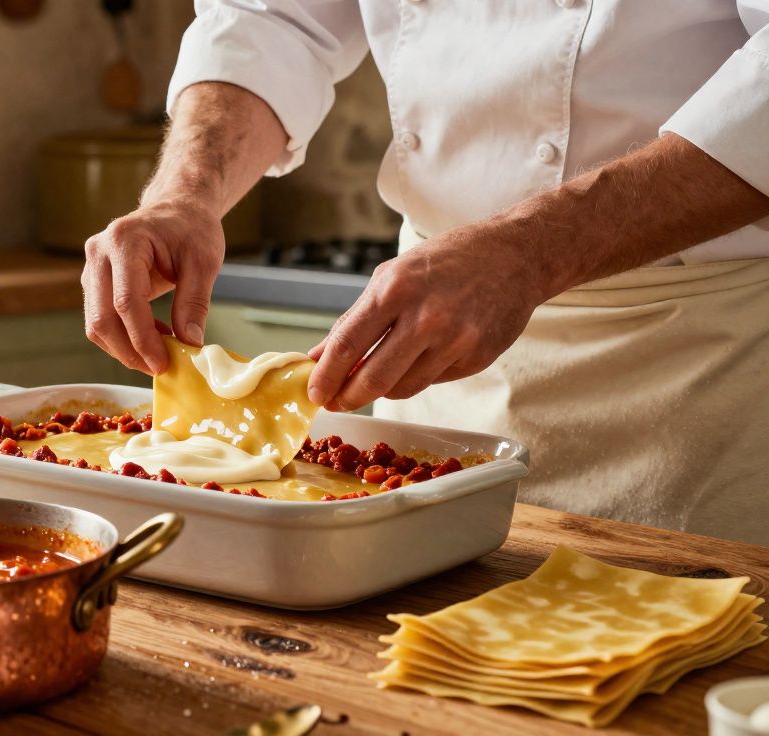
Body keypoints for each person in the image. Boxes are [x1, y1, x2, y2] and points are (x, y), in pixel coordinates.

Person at [80, 1, 769, 544]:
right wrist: (186, 192)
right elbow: (267, 18)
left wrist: (528, 251)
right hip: (436, 380)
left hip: (696, 374)